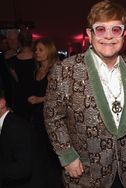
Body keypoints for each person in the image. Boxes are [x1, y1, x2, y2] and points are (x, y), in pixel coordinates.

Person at [43, 1, 126, 187]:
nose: (108, 36)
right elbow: (52, 116)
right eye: (100, 29)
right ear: (89, 34)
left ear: (123, 34)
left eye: (116, 29)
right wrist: (67, 155)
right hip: (85, 173)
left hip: (125, 170)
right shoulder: (65, 70)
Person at [27, 38, 63, 187]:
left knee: (51, 153)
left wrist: (40, 99)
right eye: (36, 50)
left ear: (49, 51)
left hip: (51, 117)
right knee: (39, 151)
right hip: (36, 117)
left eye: (40, 50)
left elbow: (61, 95)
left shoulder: (55, 69)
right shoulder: (36, 70)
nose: (36, 52)